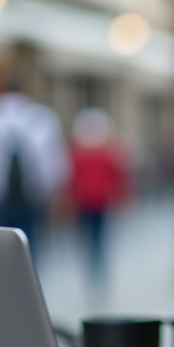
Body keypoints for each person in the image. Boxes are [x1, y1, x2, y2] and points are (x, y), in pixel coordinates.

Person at [0, 74, 69, 250]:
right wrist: (54, 194)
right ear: (26, 89)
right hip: (34, 197)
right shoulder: (43, 117)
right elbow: (57, 163)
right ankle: (27, 277)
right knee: (29, 249)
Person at [68, 107, 129, 282]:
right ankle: (97, 270)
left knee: (91, 238)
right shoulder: (106, 152)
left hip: (91, 202)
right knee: (97, 238)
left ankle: (94, 269)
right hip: (93, 201)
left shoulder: (79, 153)